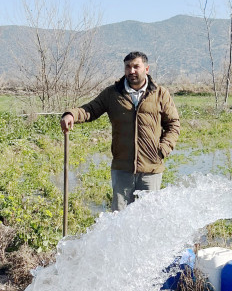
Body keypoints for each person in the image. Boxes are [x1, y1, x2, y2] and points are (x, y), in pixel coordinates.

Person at [60, 51, 180, 211]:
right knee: (119, 218)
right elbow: (90, 109)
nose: (132, 71)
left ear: (146, 68)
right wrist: (71, 114)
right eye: (128, 67)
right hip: (122, 168)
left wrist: (162, 150)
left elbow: (173, 124)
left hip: (151, 169)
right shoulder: (113, 93)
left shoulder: (160, 93)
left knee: (149, 218)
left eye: (136, 66)